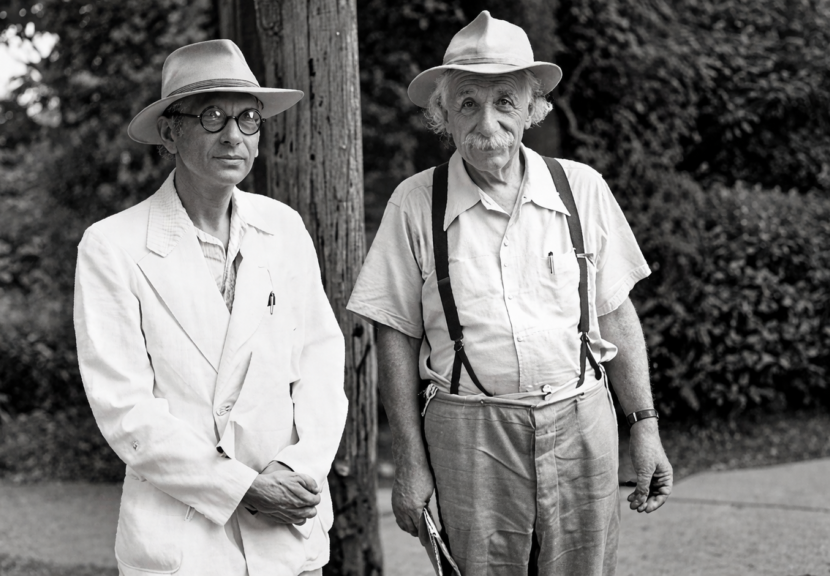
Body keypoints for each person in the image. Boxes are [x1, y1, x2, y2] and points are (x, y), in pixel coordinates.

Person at [347, 11, 673, 576]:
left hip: (582, 422)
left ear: (532, 108)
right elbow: (393, 335)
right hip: (469, 433)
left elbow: (615, 313)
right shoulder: (414, 202)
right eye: (468, 102)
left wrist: (644, 425)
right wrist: (409, 461)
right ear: (443, 115)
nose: (488, 121)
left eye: (505, 101)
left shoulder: (582, 187)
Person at [74, 40, 347, 576]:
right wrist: (243, 488)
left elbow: (320, 360)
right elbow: (125, 408)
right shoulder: (112, 245)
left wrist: (297, 470)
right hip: (182, 541)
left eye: (248, 119)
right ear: (171, 133)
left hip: (288, 530)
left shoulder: (284, 227)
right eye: (213, 115)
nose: (233, 135)